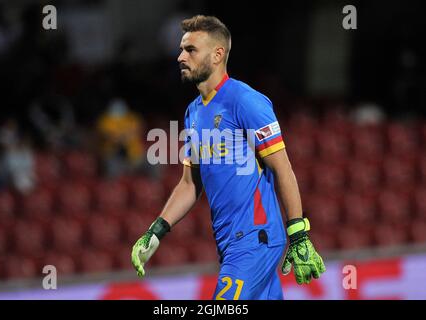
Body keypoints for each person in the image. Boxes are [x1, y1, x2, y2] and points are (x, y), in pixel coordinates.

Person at [131, 15, 325, 300]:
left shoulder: (245, 101)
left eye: (190, 50)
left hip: (255, 240)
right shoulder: (193, 113)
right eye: (182, 49)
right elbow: (189, 184)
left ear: (217, 54)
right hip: (229, 245)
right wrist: (156, 230)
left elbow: (282, 168)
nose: (180, 57)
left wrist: (298, 232)